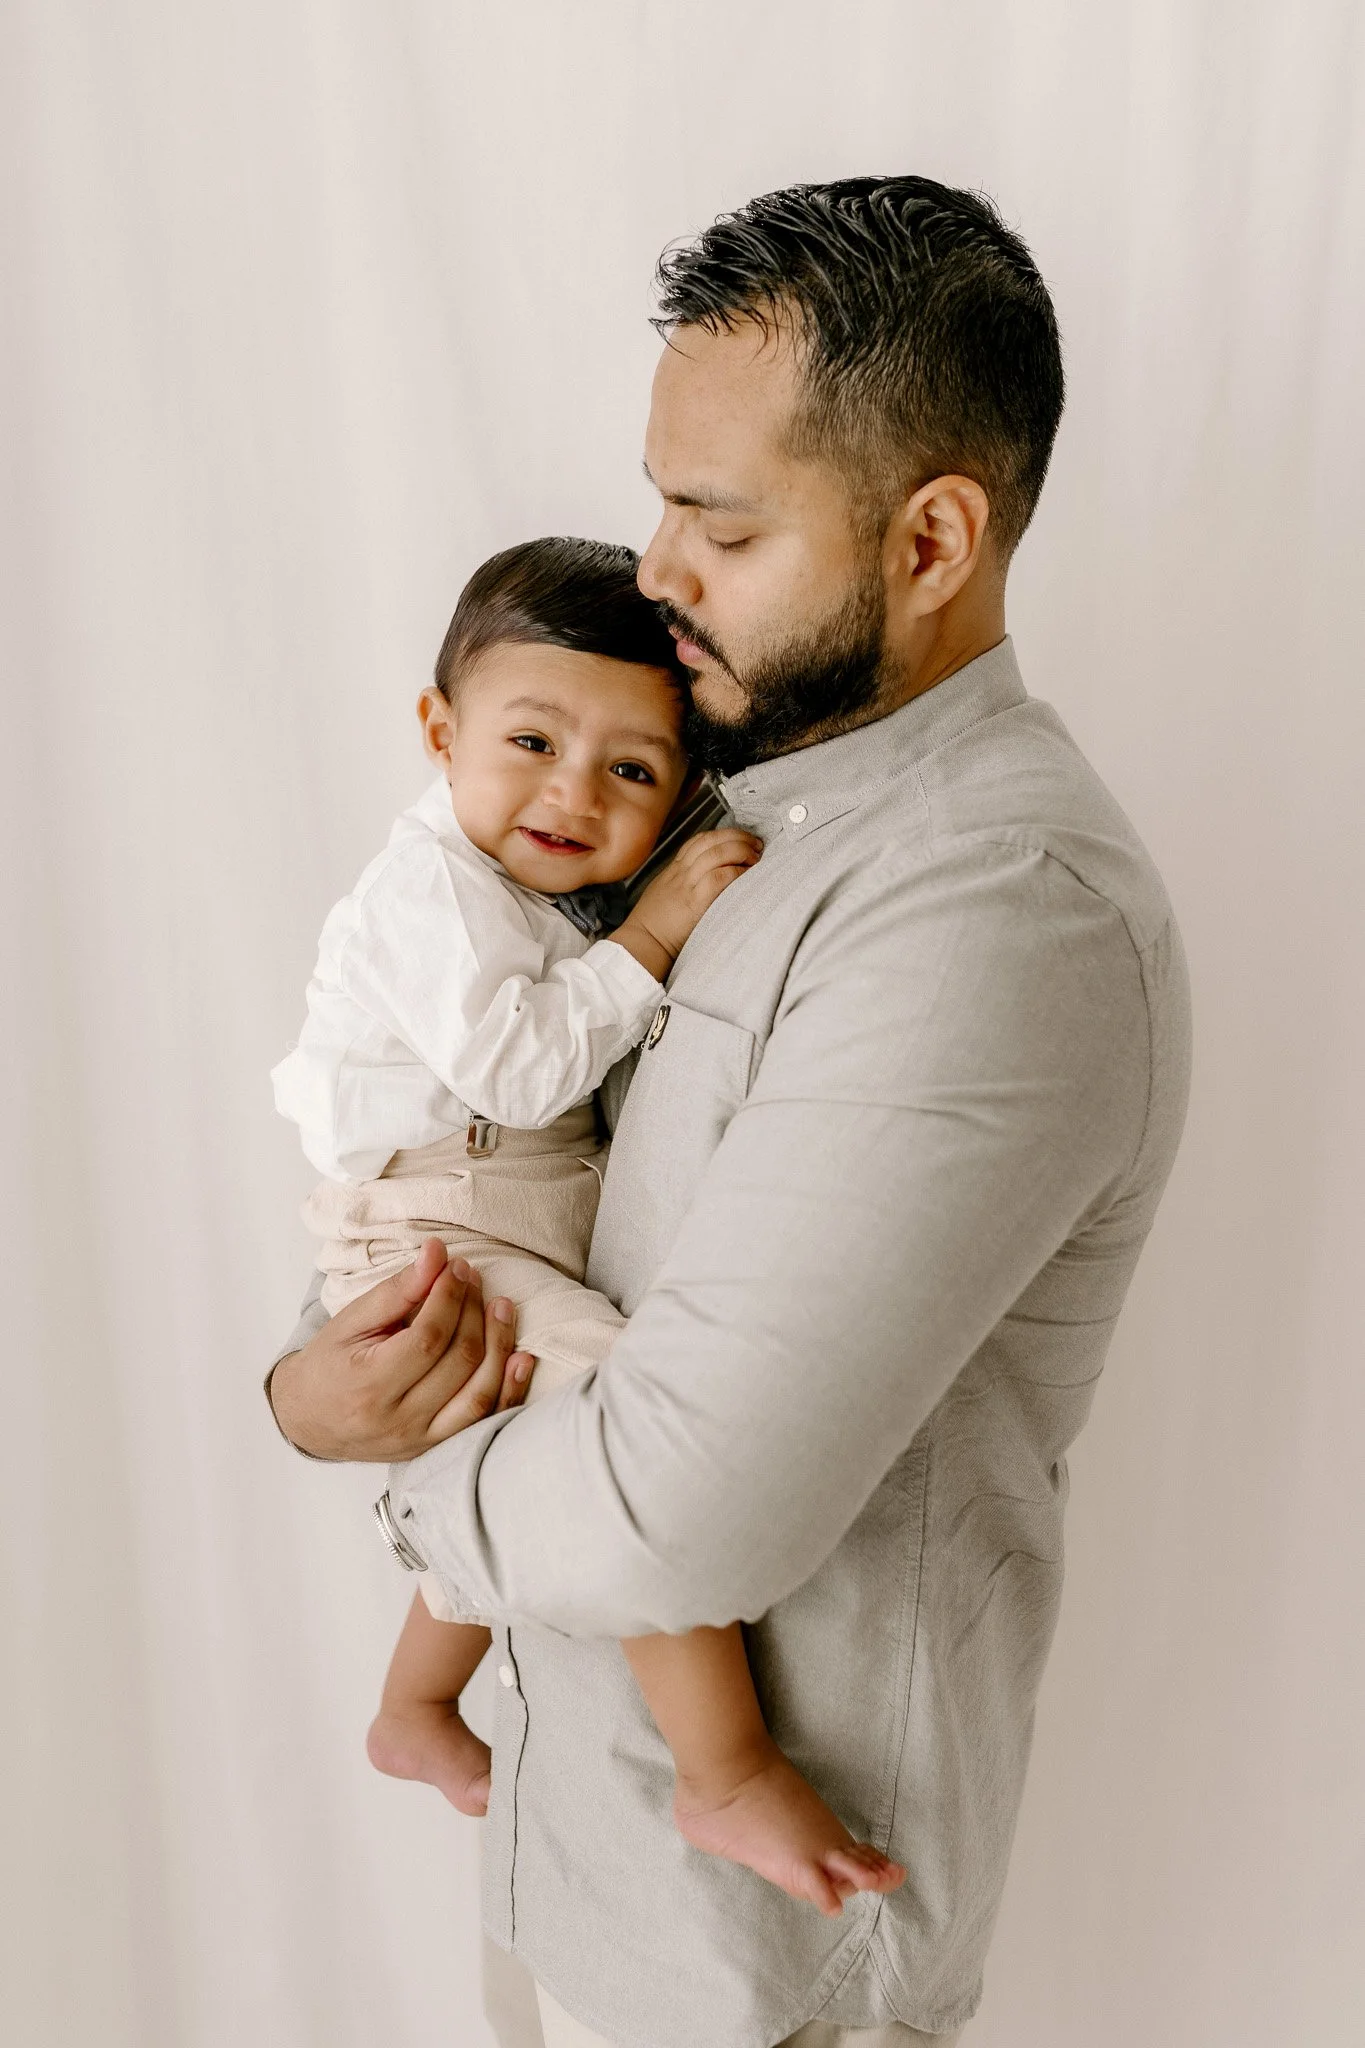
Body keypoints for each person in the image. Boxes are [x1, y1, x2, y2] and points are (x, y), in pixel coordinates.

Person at [268, 176, 1191, 2048]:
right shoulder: (717, 825)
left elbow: (674, 1517)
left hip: (762, 1976)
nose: (657, 570)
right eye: (661, 499)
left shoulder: (994, 910)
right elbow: (484, 1183)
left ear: (932, 538)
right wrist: (312, 1388)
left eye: (723, 521)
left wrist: (380, 1465)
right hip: (590, 1871)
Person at [271, 534, 905, 1914]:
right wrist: (657, 935)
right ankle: (725, 1767)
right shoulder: (429, 887)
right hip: (441, 1211)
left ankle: (411, 1711)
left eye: (633, 770)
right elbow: (517, 1067)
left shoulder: (531, 883)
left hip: (501, 1203)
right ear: (440, 731)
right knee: (619, 1426)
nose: (573, 793)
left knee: (527, 1459)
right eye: (532, 740)